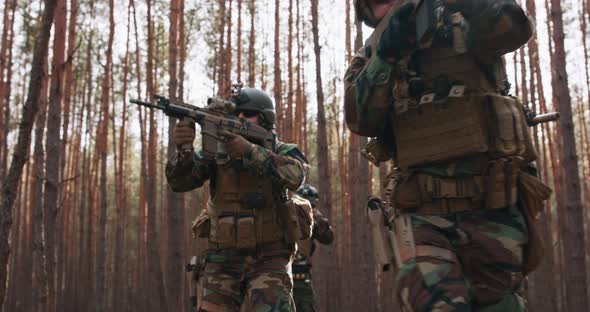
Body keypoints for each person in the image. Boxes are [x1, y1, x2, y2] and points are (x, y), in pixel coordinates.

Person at [346, 0, 551, 311]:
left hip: (493, 208)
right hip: (422, 215)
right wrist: (386, 57)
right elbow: (359, 118)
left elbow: (515, 29)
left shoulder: (462, 23)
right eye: (377, 3)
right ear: (366, 13)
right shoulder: (372, 55)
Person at [166, 87, 308, 312]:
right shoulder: (217, 152)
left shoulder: (282, 149)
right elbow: (180, 183)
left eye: (247, 113)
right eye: (237, 114)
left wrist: (251, 152)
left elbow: (296, 176)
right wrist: (184, 150)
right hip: (224, 258)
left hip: (269, 257)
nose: (240, 118)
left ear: (264, 119)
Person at [292, 184, 334, 312]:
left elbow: (328, 238)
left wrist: (317, 219)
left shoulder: (313, 217)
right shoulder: (284, 213)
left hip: (299, 274)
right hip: (285, 273)